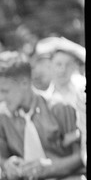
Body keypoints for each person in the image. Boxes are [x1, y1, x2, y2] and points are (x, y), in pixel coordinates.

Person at [0, 50, 86, 180]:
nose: (0, 98)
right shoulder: (1, 115)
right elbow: (1, 157)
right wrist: (8, 164)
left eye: (5, 91)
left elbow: (81, 156)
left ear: (25, 83)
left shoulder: (60, 108)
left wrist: (49, 167)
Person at [34, 36, 86, 166]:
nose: (62, 69)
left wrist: (77, 134)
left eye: (68, 65)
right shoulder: (45, 98)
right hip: (63, 161)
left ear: (74, 66)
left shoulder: (82, 88)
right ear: (50, 66)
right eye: (58, 64)